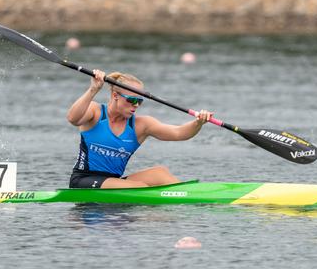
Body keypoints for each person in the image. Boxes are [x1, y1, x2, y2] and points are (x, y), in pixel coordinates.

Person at [67, 70, 213, 189]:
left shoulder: (141, 125)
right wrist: (93, 89)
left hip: (114, 181)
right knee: (139, 186)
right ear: (115, 95)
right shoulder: (95, 111)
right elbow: (73, 118)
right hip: (83, 180)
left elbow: (179, 133)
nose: (136, 105)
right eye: (132, 100)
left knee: (160, 173)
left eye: (140, 101)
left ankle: (187, 196)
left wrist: (198, 122)